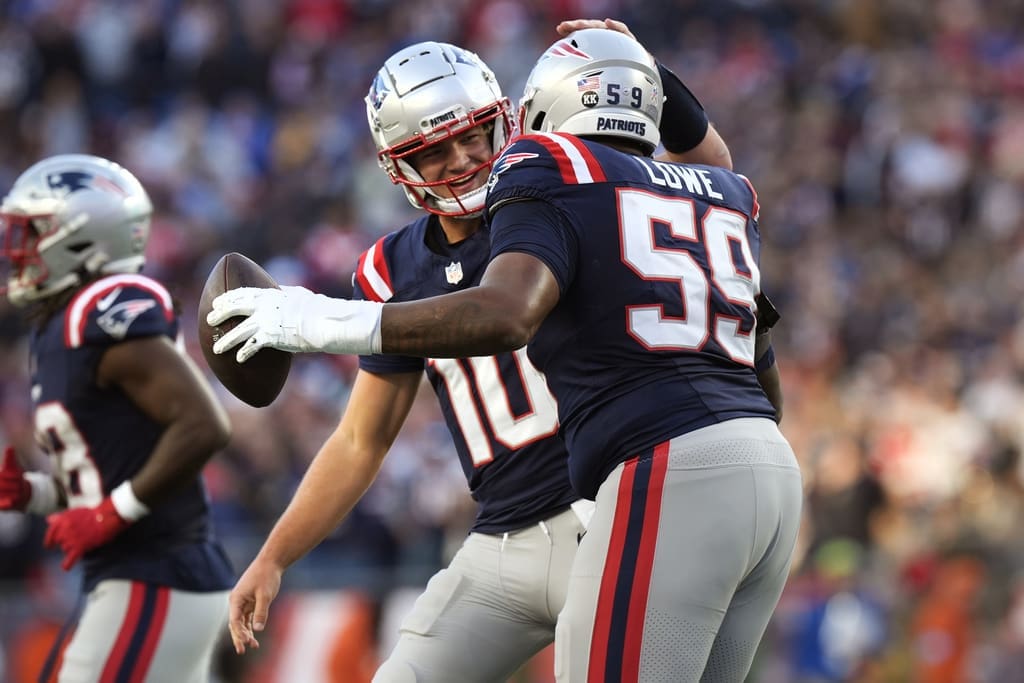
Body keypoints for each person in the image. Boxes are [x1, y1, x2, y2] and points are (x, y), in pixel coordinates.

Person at [211, 26, 799, 683]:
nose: (462, 159)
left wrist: (633, 69)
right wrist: (275, 554)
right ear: (397, 166)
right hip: (504, 537)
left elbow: (697, 178)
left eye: (474, 135)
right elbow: (359, 438)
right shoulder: (390, 266)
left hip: (611, 502)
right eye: (433, 151)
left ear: (509, 123)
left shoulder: (558, 189)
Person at [0, 154, 234, 683]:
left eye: (33, 233)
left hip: (157, 572)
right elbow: (112, 470)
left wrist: (109, 516)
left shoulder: (102, 308)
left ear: (82, 240)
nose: (18, 251)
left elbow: (204, 426)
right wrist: (35, 493)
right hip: (134, 577)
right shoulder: (57, 327)